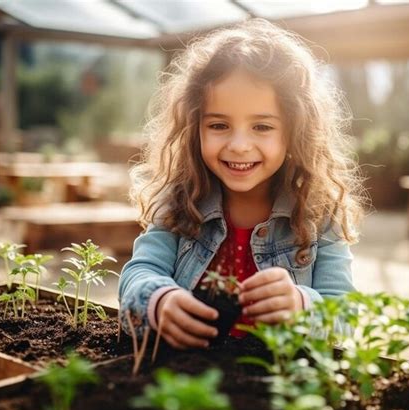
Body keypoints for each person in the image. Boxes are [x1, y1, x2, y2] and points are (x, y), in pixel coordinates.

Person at [118, 18, 365, 350]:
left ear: (294, 131)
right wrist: (158, 301)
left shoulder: (319, 212)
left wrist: (302, 306)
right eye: (219, 125)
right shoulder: (180, 200)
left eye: (262, 127)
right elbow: (139, 273)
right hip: (189, 380)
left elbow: (345, 315)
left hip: (279, 386)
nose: (238, 145)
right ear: (195, 128)